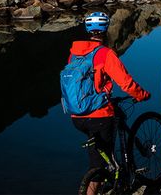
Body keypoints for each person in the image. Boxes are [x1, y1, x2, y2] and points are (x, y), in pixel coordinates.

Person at [63, 11, 150, 195]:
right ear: (105, 28)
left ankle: (112, 177)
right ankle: (96, 186)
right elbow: (125, 82)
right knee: (97, 165)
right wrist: (142, 94)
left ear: (88, 29)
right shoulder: (105, 54)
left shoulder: (74, 55)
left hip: (77, 115)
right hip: (99, 115)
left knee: (100, 151)